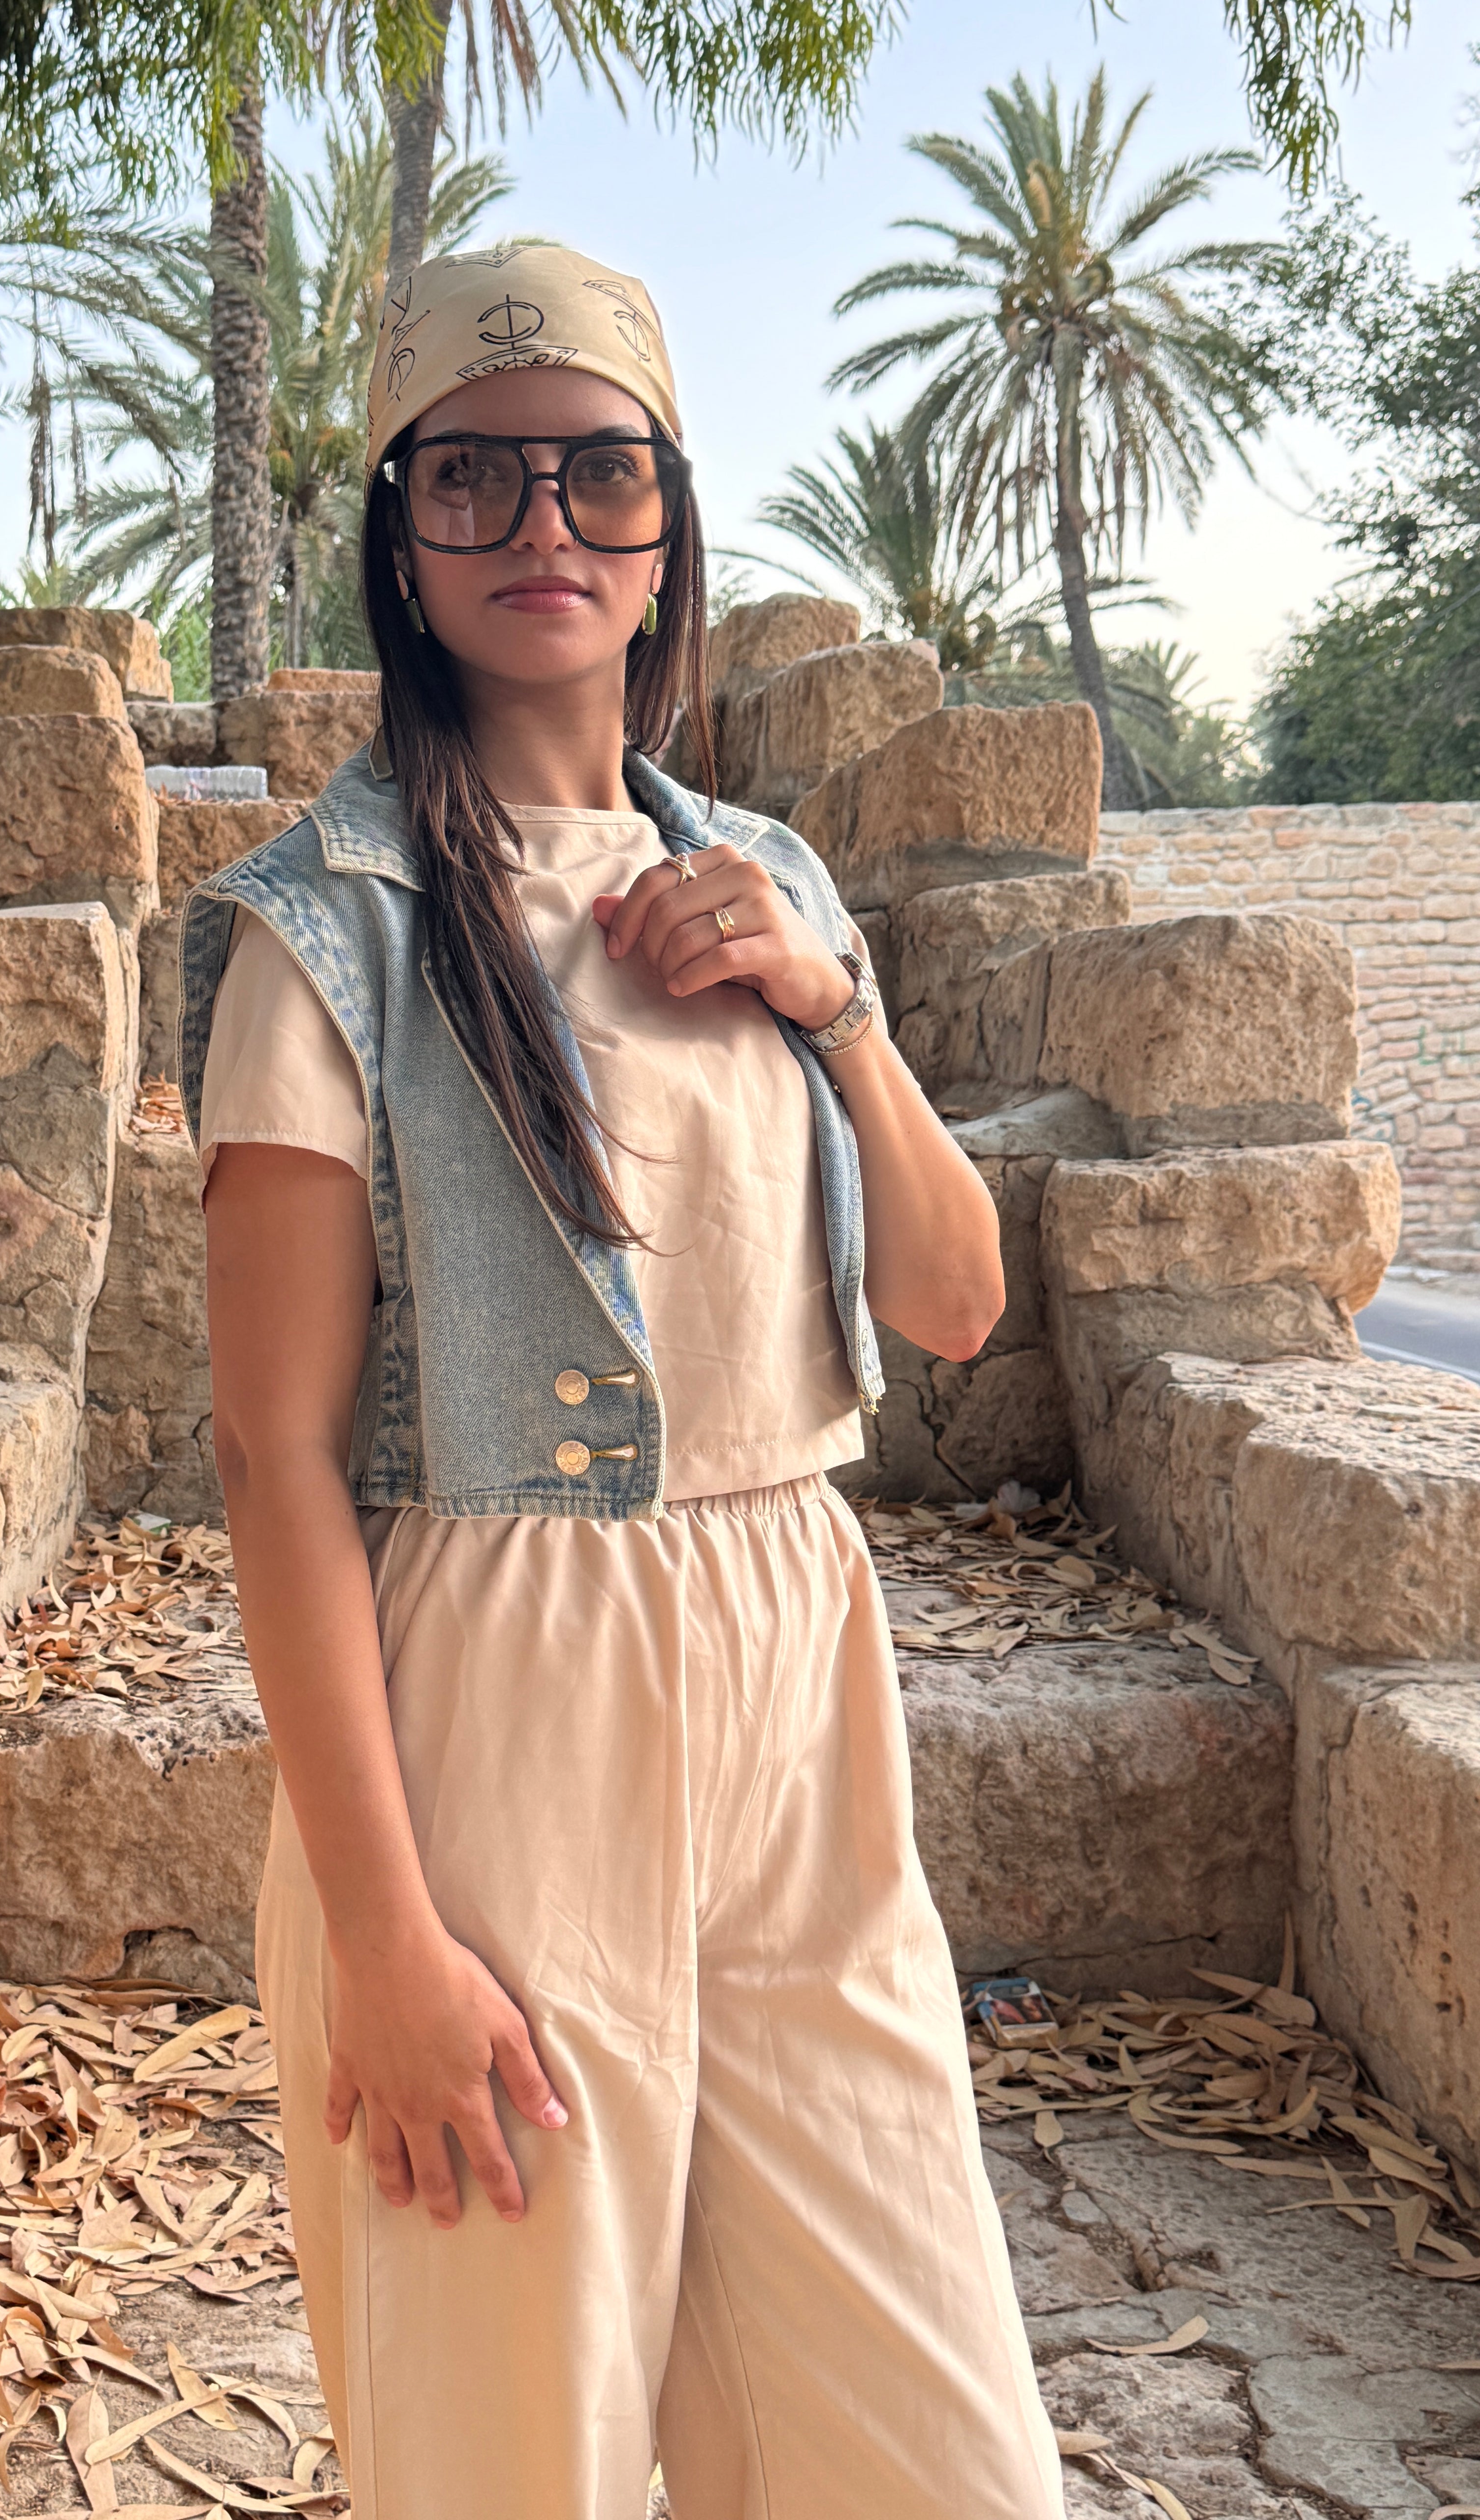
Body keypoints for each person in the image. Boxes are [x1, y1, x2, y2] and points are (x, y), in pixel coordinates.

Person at [182, 244, 1064, 2520]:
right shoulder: (329, 927)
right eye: (471, 479)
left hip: (803, 1704)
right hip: (501, 1715)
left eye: (597, 473)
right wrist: (385, 1938)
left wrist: (833, 1004)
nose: (542, 529)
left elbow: (960, 1302)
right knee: (512, 2458)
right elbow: (275, 1454)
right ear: (398, 533)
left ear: (671, 518)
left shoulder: (767, 880)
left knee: (933, 2451)